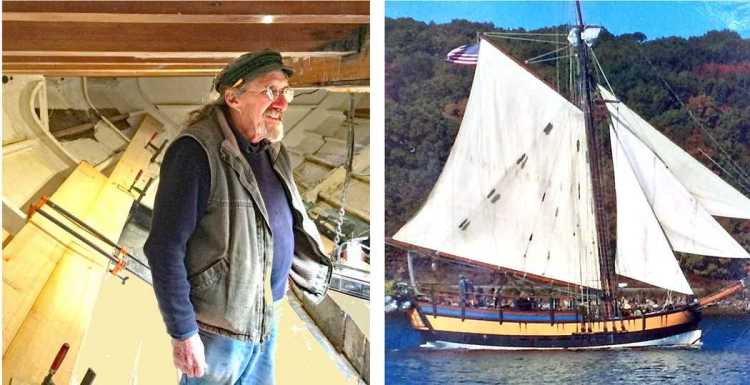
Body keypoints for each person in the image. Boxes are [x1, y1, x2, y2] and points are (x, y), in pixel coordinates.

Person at [144, 49, 332, 385]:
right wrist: (183, 332)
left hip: (265, 314)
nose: (283, 103)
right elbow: (163, 248)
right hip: (219, 326)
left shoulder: (273, 150)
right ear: (233, 97)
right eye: (271, 91)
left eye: (286, 92)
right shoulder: (195, 152)